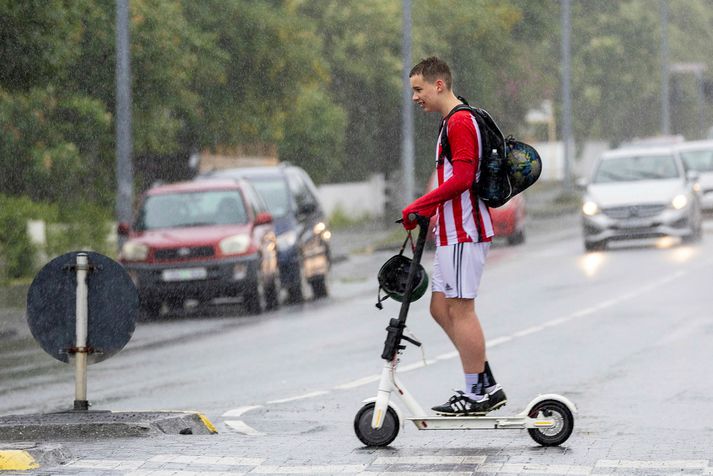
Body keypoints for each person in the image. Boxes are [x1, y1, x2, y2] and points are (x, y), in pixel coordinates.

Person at [401, 56, 506, 416]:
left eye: (419, 89)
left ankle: (477, 393)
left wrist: (420, 204)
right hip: (449, 232)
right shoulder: (451, 122)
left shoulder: (461, 122)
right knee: (439, 308)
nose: (416, 97)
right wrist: (428, 213)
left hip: (464, 231)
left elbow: (462, 179)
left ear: (439, 85)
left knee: (461, 311)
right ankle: (485, 381)